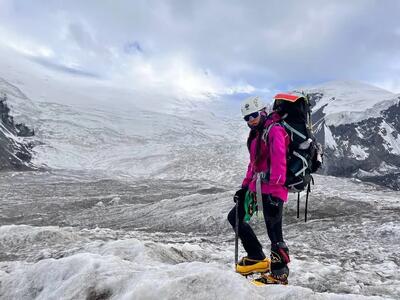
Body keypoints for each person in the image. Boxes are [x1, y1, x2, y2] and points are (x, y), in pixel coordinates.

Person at [227, 96, 290, 284]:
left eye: (253, 115)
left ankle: (279, 275)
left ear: (263, 111)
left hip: (273, 190)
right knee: (235, 217)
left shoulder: (275, 130)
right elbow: (253, 165)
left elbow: (280, 159)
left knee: (274, 233)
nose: (250, 120)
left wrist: (274, 187)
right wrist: (244, 187)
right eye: (246, 118)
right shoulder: (256, 134)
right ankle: (256, 256)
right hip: (258, 188)